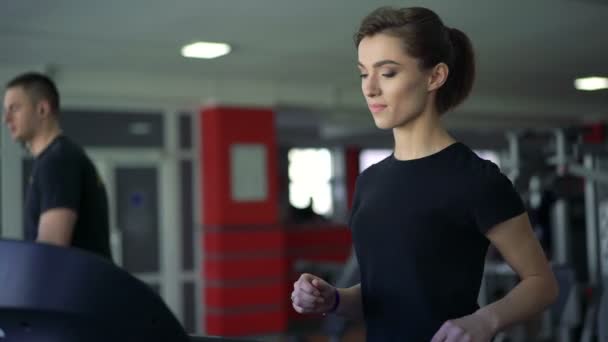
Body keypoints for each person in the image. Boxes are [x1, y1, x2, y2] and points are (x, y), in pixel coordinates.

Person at [291, 6, 557, 341]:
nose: (370, 88)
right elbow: (384, 298)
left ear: (435, 76)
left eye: (387, 73)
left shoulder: (476, 179)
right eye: (363, 73)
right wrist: (334, 299)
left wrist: (484, 320)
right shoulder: (370, 181)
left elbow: (542, 283)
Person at [3, 72, 112, 260]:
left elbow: (50, 251)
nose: (6, 119)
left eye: (15, 108)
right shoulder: (59, 157)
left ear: (42, 110)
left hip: (76, 287)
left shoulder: (57, 161)